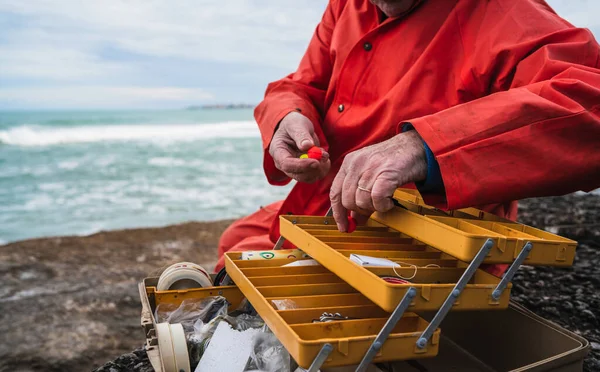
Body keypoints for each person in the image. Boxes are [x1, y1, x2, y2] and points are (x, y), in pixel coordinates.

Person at [215, 0, 600, 272]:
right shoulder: (345, 6)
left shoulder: (503, 10)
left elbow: (589, 101)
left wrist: (426, 147)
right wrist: (287, 116)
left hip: (425, 240)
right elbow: (304, 83)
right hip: (329, 209)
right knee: (237, 241)